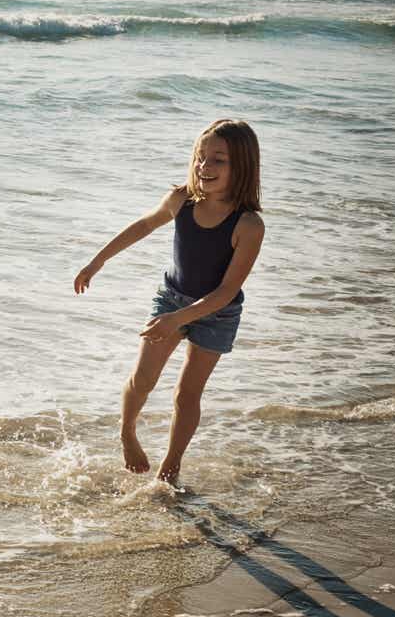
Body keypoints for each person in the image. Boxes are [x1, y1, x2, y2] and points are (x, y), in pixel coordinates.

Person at [73, 119, 265, 486]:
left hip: (218, 312)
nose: (204, 167)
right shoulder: (181, 200)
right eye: (200, 157)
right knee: (143, 378)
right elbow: (143, 226)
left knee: (187, 393)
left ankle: (171, 466)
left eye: (218, 160)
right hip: (172, 297)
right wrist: (98, 260)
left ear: (242, 165)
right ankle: (127, 431)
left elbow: (225, 291)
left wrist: (179, 319)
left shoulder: (249, 225)